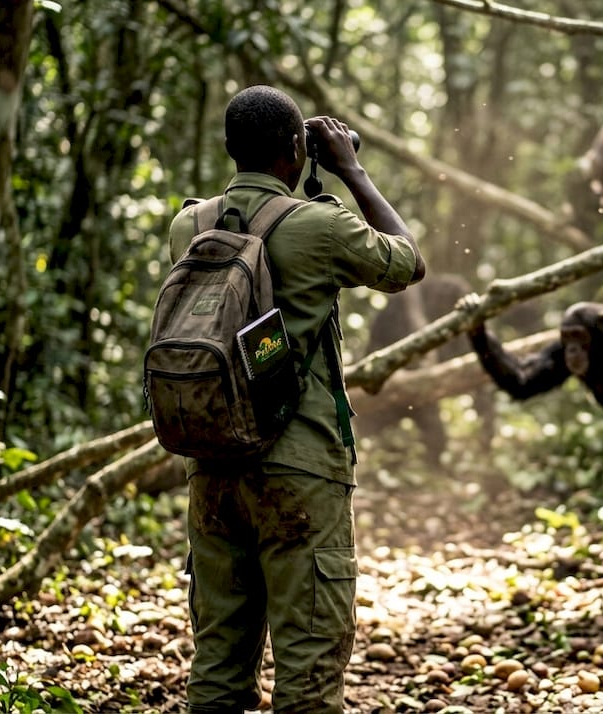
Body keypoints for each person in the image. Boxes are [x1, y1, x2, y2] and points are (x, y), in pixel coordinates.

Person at [168, 85, 425, 714]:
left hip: (212, 463)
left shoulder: (190, 224)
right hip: (299, 467)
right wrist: (351, 169)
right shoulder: (318, 225)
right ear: (295, 148)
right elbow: (407, 264)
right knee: (308, 670)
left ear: (230, 148)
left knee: (218, 664)